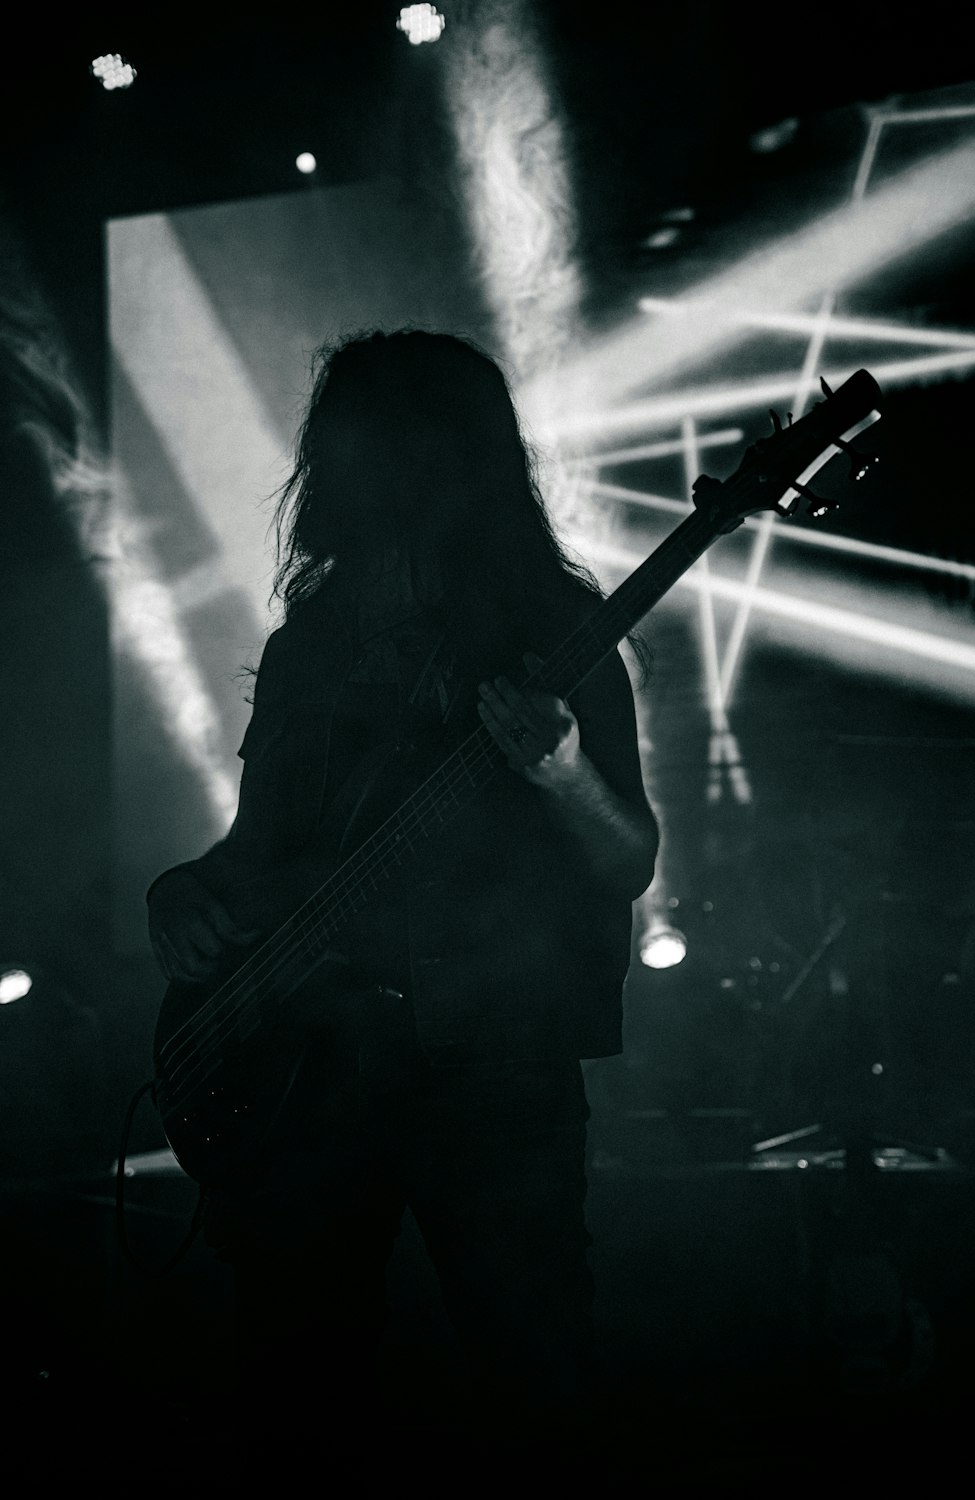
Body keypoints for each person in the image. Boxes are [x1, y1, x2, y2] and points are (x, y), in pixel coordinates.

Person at [146, 328, 658, 1485]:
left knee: (536, 1381)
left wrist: (564, 771)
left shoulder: (557, 641)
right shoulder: (307, 652)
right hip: (307, 1068)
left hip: (493, 1068)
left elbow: (628, 860)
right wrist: (179, 894)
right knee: (298, 1384)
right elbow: (255, 858)